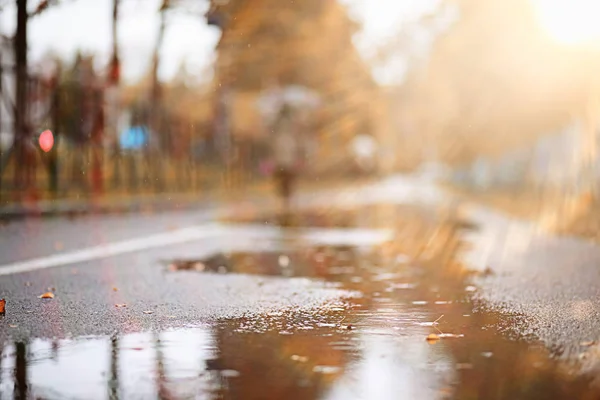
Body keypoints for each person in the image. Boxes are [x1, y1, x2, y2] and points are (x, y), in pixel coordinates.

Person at [271, 104, 303, 209]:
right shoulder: (291, 123)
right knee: (287, 175)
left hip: (282, 150)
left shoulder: (278, 123)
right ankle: (287, 194)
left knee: (284, 174)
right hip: (287, 150)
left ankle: (285, 194)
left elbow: (271, 133)